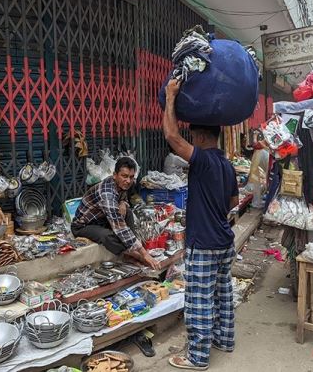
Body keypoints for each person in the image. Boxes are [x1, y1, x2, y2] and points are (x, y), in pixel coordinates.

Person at [162, 79, 239, 371]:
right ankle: (224, 340)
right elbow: (233, 202)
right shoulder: (226, 164)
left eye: (192, 134)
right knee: (222, 293)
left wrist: (171, 96)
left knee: (199, 302)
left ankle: (197, 357)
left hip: (204, 244)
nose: (189, 138)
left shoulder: (203, 160)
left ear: (200, 136)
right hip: (223, 241)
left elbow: (171, 135)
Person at [72, 157, 161, 270]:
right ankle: (131, 253)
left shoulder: (122, 184)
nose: (128, 180)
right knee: (106, 236)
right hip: (83, 226)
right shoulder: (106, 193)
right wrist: (144, 254)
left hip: (102, 220)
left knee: (127, 212)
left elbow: (123, 199)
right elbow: (120, 228)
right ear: (115, 175)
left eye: (131, 177)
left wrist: (123, 202)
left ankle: (132, 247)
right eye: (124, 176)